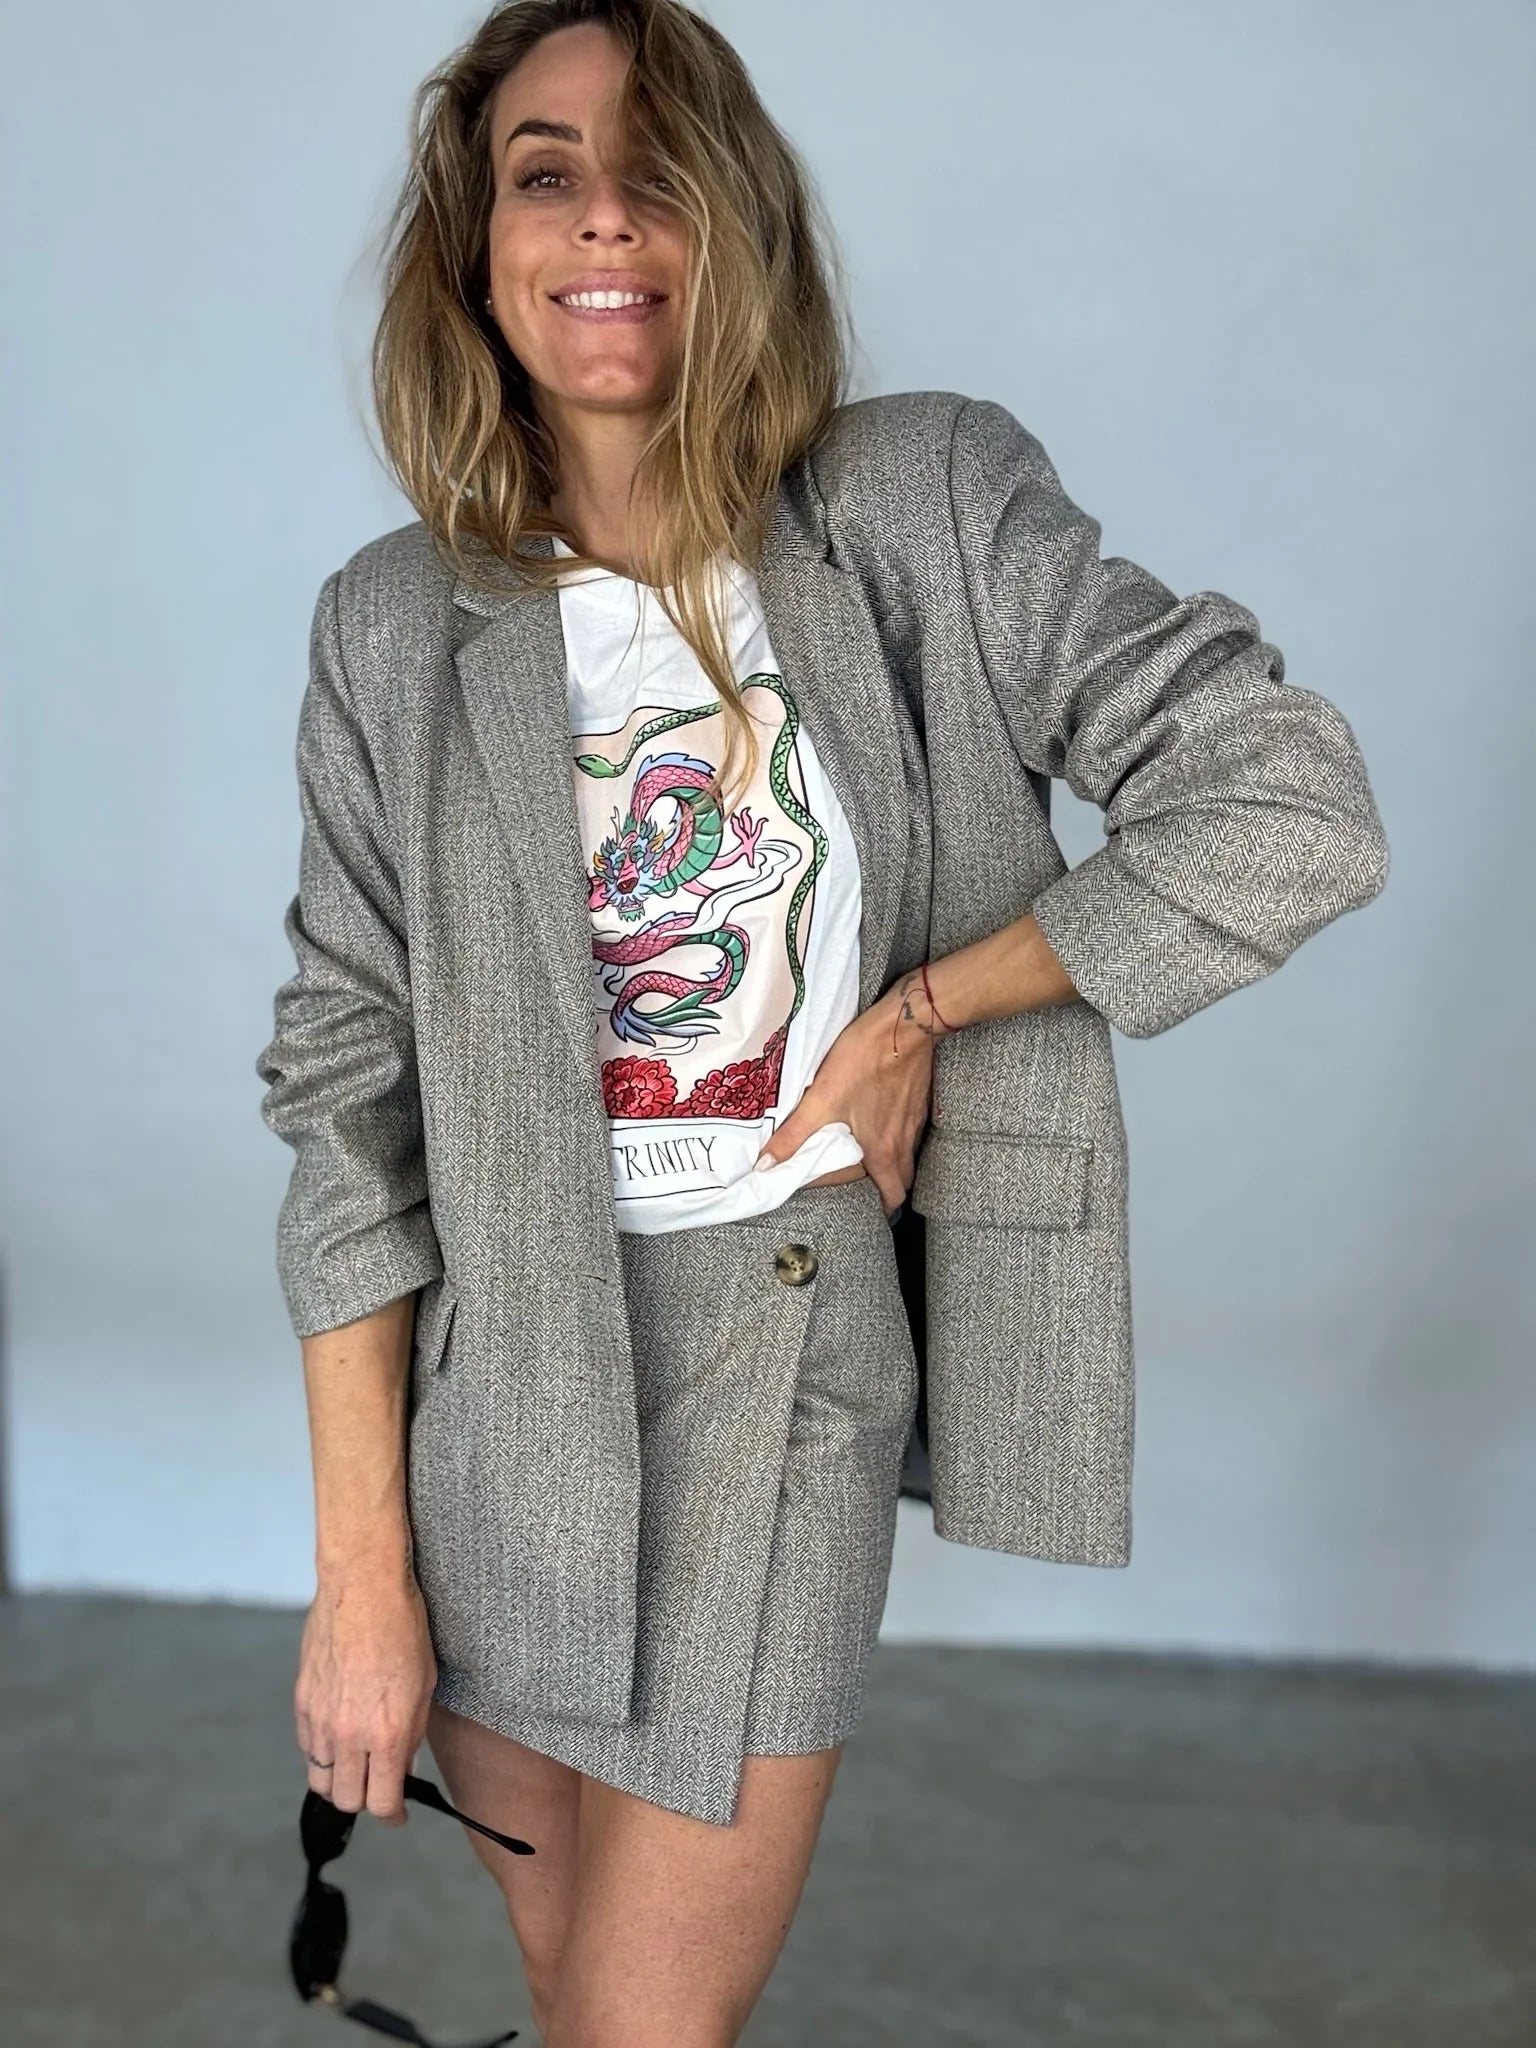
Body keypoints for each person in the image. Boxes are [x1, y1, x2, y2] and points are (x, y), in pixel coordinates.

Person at [254, 2, 1389, 2043]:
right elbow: (348, 1105)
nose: (605, 219)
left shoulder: (920, 503)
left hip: (786, 1347)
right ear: (479, 253)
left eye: (659, 170)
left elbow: (1290, 803)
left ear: (739, 222)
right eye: (545, 174)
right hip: (501, 1398)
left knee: (644, 2025)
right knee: (571, 1988)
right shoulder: (393, 625)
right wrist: (361, 1577)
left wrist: (937, 1003)